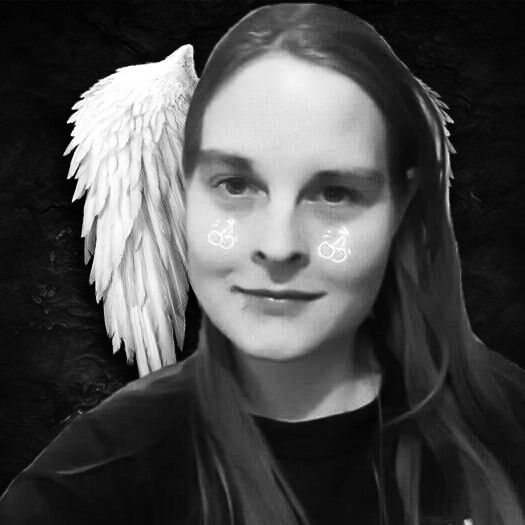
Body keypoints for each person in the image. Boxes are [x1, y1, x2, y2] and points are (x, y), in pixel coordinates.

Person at [1, 3, 524, 524]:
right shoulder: (86, 485)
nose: (278, 245)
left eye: (334, 192)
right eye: (235, 186)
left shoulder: (506, 425)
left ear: (402, 209)